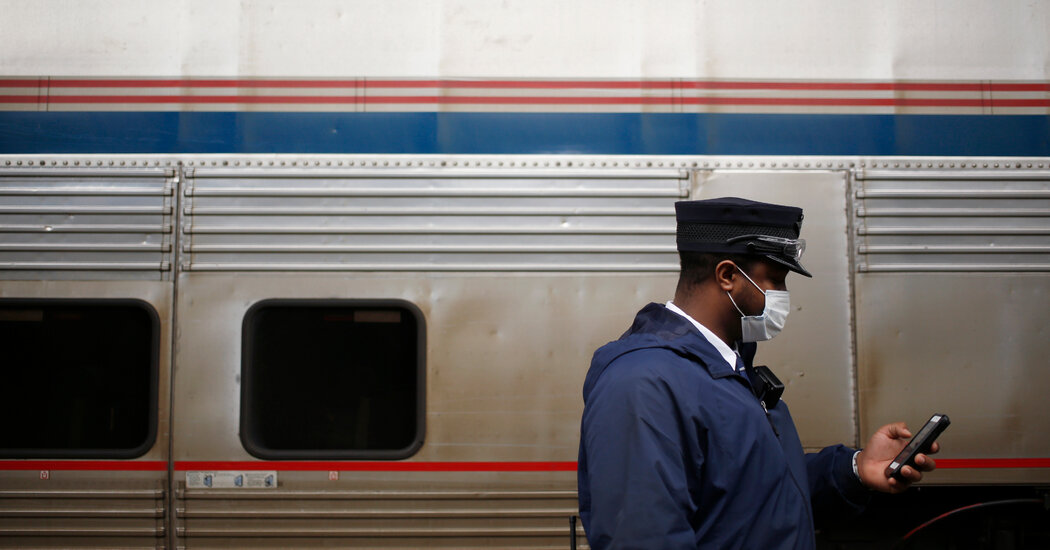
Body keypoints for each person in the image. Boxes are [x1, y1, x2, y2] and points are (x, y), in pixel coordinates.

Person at [577, 197, 939, 549]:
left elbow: (755, 497)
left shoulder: (726, 367)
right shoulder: (643, 383)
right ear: (728, 276)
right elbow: (643, 536)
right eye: (776, 279)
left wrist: (857, 469)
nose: (782, 294)